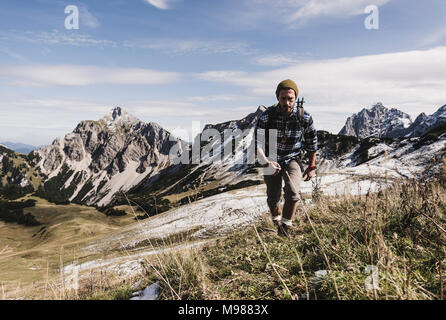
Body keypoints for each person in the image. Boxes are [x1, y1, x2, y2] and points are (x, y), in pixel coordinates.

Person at [256, 79, 318, 237]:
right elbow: (258, 143)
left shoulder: (304, 117)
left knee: (293, 194)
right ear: (278, 98)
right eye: (283, 98)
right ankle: (276, 220)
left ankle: (284, 230)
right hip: (271, 158)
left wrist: (311, 167)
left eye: (290, 99)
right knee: (273, 197)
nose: (287, 102)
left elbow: (312, 143)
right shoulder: (267, 116)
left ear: (295, 99)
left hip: (292, 158)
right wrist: (266, 162)